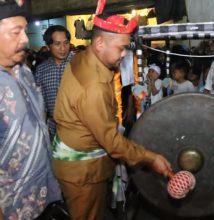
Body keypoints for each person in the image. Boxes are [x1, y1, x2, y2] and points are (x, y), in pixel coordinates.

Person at [52, 5, 172, 219]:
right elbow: (112, 143)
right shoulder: (93, 86)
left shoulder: (82, 58)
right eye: (121, 48)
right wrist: (151, 158)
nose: (124, 54)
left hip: (88, 162)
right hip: (82, 172)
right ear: (99, 43)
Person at [0, 0, 61, 219]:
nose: (26, 39)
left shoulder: (22, 70)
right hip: (9, 210)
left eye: (25, 31)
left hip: (41, 198)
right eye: (16, 32)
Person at [35, 25, 74, 140]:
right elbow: (41, 104)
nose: (63, 48)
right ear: (48, 46)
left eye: (66, 43)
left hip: (79, 127)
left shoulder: (79, 64)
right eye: (57, 44)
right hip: (53, 129)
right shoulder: (41, 70)